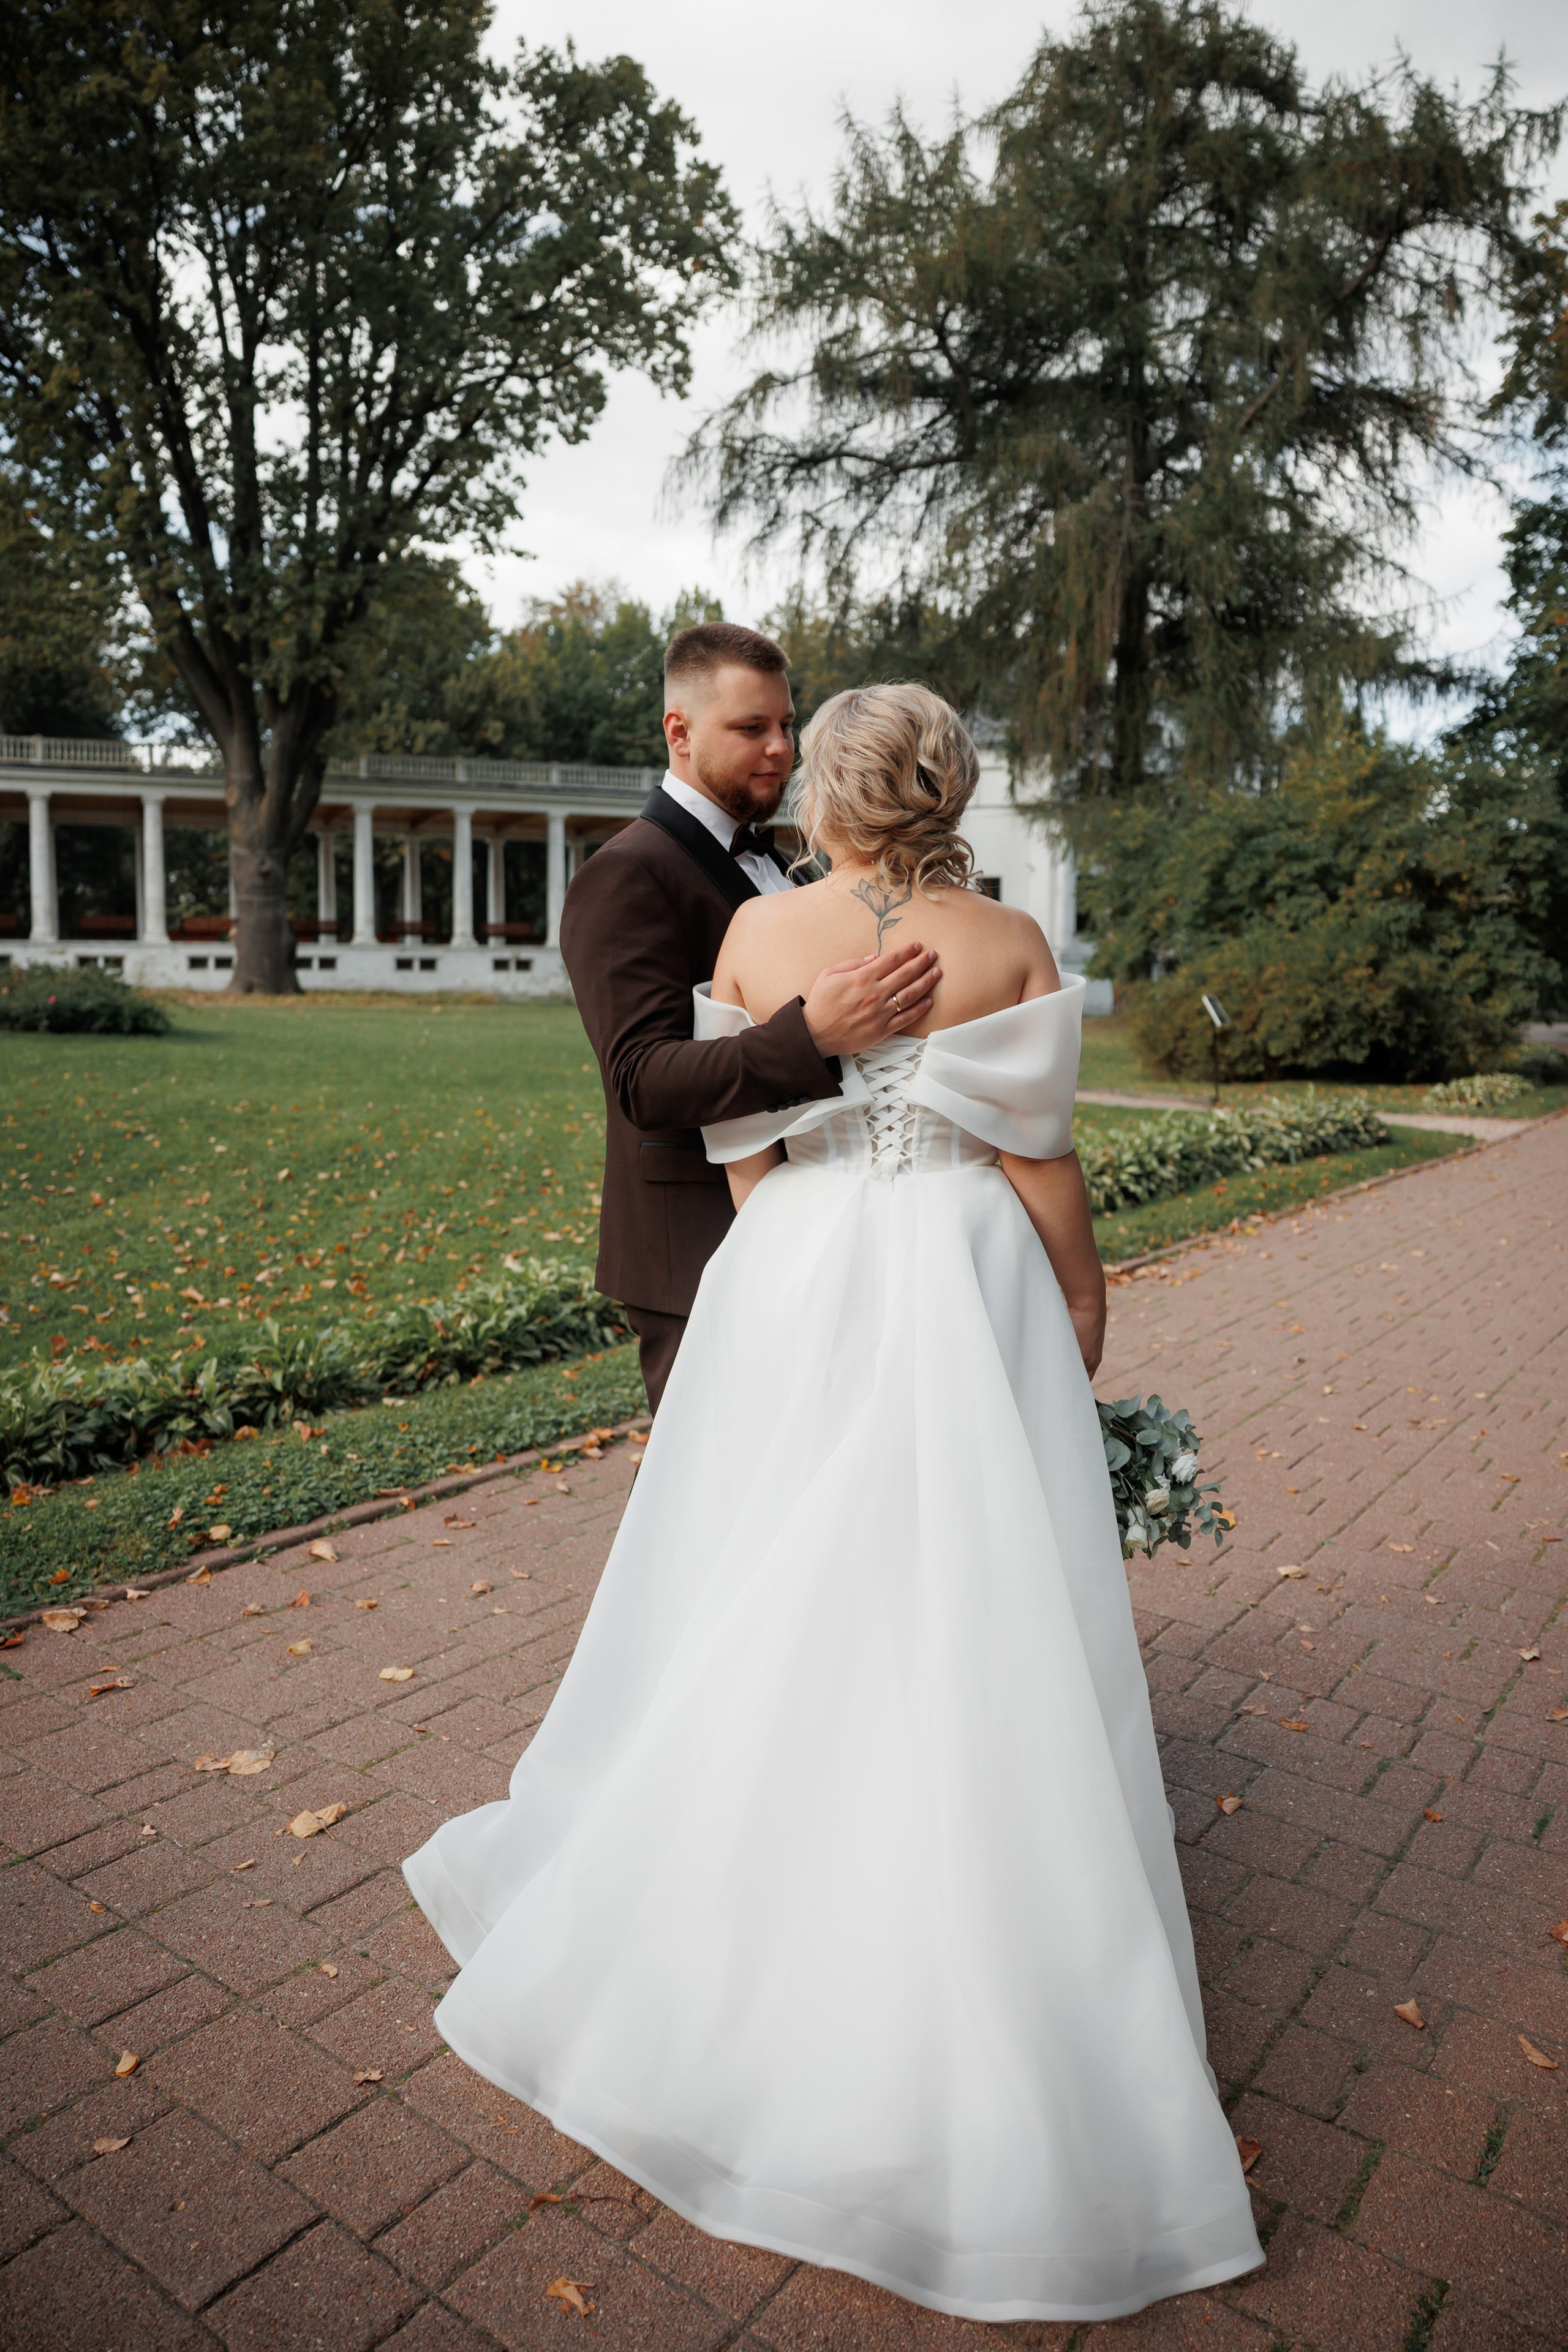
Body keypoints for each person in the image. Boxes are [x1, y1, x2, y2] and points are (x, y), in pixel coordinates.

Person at [405, 684, 1264, 2324]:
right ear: (950, 785)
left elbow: (743, 1138)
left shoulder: (762, 930)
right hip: (961, 1274)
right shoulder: (1007, 943)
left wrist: (784, 1259)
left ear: (829, 788)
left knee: (772, 1568)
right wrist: (1082, 1308)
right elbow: (1043, 1159)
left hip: (794, 1275)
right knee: (959, 1577)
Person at [559, 620, 940, 1410]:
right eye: (751, 729)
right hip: (698, 1247)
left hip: (813, 1221)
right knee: (712, 1510)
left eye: (787, 725)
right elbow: (643, 1080)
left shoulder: (791, 862)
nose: (782, 750)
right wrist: (814, 1035)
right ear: (680, 732)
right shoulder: (626, 875)